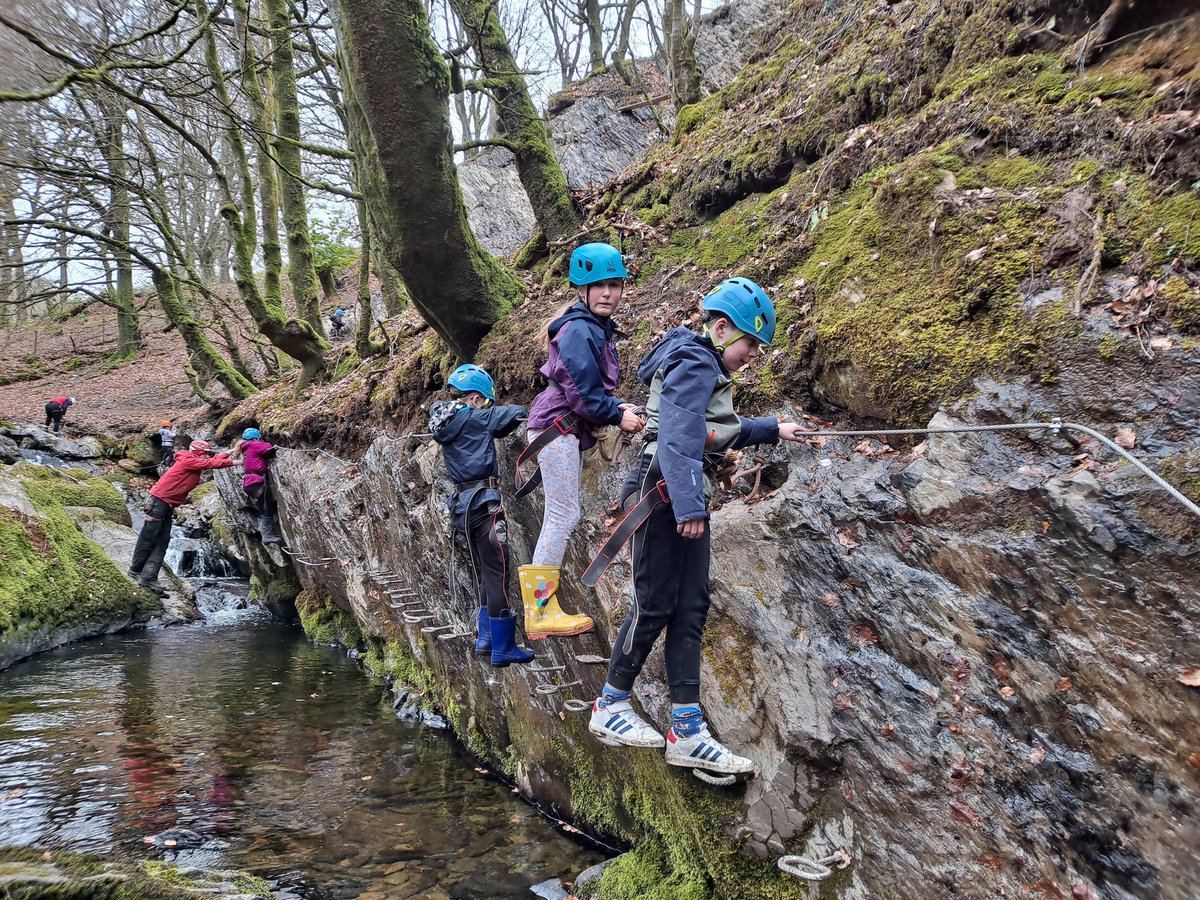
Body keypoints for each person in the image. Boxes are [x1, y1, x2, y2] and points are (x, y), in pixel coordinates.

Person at [586, 278, 807, 776]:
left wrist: (773, 427)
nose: (754, 354)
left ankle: (686, 729)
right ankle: (610, 705)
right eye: (751, 343)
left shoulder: (703, 365)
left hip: (682, 492)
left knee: (690, 607)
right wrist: (687, 507)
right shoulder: (692, 362)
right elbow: (679, 436)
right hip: (663, 492)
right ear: (722, 328)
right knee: (656, 602)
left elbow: (711, 428)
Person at [519, 243, 644, 639]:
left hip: (559, 428)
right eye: (599, 286)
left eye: (614, 285)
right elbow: (582, 394)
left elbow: (590, 391)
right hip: (556, 428)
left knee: (562, 514)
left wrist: (616, 405)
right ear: (581, 289)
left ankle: (541, 609)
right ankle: (539, 612)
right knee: (562, 515)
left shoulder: (592, 328)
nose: (608, 293)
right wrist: (615, 415)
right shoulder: (579, 330)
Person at [430, 364, 534, 667]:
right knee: (497, 573)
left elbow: (493, 424)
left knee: (485, 571)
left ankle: (486, 637)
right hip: (484, 502)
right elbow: (515, 411)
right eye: (484, 400)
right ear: (474, 398)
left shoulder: (445, 420)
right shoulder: (475, 418)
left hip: (463, 506)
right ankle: (503, 647)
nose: (486, 406)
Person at [128, 439, 236, 591]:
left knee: (162, 541)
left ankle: (148, 577)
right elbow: (210, 464)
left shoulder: (192, 462)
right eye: (205, 454)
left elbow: (211, 461)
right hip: (158, 502)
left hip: (166, 504)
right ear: (198, 452)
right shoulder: (188, 460)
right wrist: (236, 462)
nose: (207, 457)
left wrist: (229, 453)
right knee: (149, 538)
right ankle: (135, 571)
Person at [239, 428, 283, 545]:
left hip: (250, 482)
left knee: (265, 506)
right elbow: (268, 448)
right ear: (256, 438)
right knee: (266, 508)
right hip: (256, 482)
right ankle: (267, 536)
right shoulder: (254, 445)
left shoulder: (247, 448)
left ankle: (266, 534)